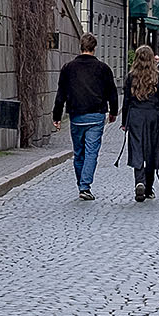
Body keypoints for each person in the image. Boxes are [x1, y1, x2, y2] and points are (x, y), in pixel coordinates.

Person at [52, 33, 117, 200]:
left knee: (79, 152)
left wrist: (56, 116)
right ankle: (85, 186)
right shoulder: (103, 68)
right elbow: (112, 92)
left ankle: (81, 183)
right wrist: (114, 112)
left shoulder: (68, 68)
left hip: (76, 115)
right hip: (96, 115)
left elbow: (61, 94)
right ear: (94, 48)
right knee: (91, 152)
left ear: (80, 47)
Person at [121, 44, 159, 202]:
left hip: (135, 116)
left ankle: (139, 181)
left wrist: (124, 122)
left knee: (137, 149)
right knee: (151, 150)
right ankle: (149, 188)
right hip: (152, 116)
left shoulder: (131, 76)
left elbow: (127, 100)